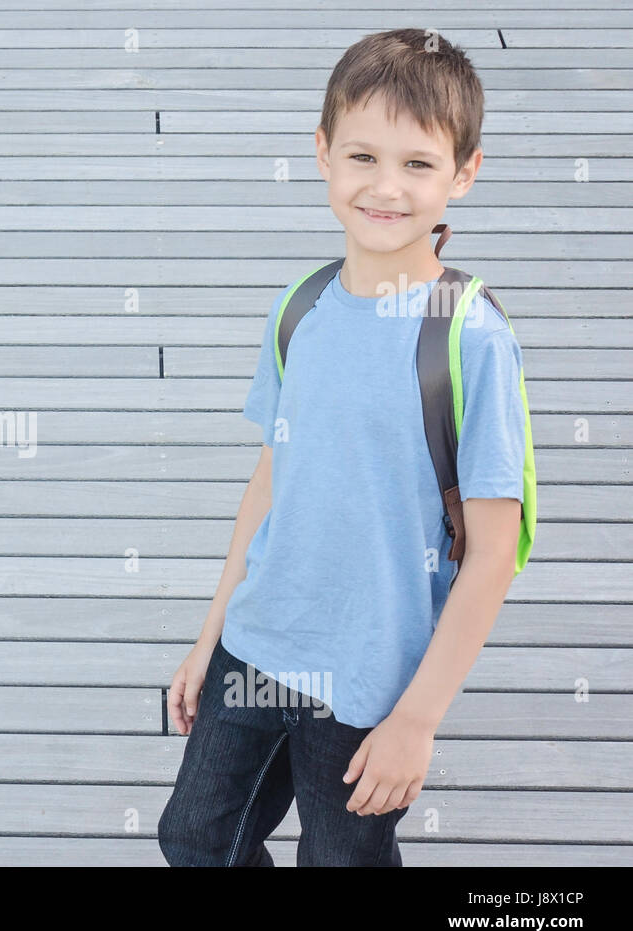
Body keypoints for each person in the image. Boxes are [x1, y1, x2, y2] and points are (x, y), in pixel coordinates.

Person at [156, 28, 528, 866]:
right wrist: (212, 630)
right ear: (322, 154)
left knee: (341, 859)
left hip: (369, 679)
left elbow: (496, 554)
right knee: (194, 837)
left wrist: (417, 720)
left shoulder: (469, 339)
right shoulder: (304, 306)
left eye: (418, 164)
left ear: (464, 174)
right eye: (362, 155)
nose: (385, 187)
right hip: (259, 645)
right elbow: (273, 475)